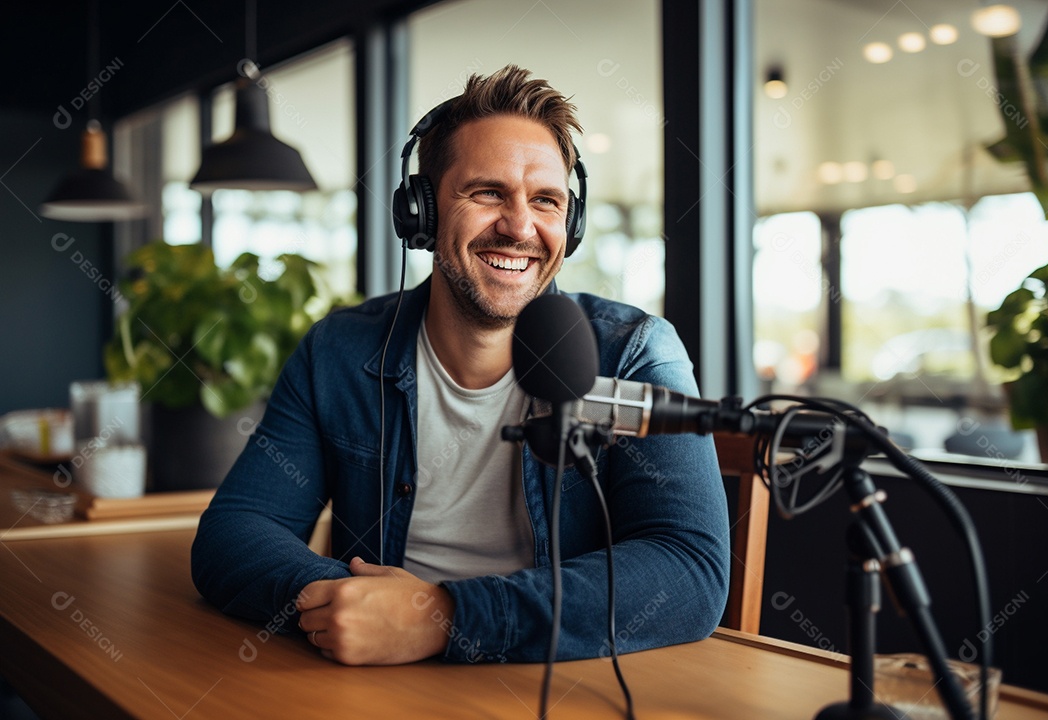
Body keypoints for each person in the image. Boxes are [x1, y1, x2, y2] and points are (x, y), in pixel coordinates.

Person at [191, 64, 729, 666]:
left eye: (546, 200)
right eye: (488, 193)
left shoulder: (635, 353)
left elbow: (688, 569)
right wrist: (352, 603)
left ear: (570, 225)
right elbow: (233, 534)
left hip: (557, 683)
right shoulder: (338, 352)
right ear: (420, 212)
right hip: (374, 685)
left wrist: (444, 617)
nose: (520, 226)